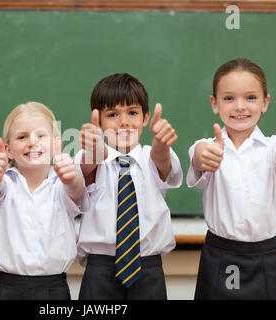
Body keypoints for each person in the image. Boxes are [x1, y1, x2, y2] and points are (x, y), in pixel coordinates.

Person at [187, 57, 276, 299]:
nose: (239, 106)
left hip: (265, 259)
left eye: (250, 97)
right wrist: (200, 158)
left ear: (265, 102)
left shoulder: (275, 147)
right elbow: (198, 159)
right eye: (229, 98)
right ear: (214, 103)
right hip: (218, 255)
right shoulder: (206, 147)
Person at [77, 73, 182, 299]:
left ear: (145, 118)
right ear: (100, 120)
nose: (124, 122)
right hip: (100, 270)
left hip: (148, 269)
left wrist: (161, 142)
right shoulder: (91, 158)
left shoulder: (151, 158)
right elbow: (85, 167)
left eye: (132, 113)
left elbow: (162, 159)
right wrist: (96, 150)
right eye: (113, 114)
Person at [0, 102, 89, 300]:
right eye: (22, 137)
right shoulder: (4, 182)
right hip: (4, 287)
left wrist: (73, 178)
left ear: (55, 145)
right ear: (8, 150)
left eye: (41, 135)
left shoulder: (62, 184)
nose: (32, 142)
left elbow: (76, 191)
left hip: (53, 289)